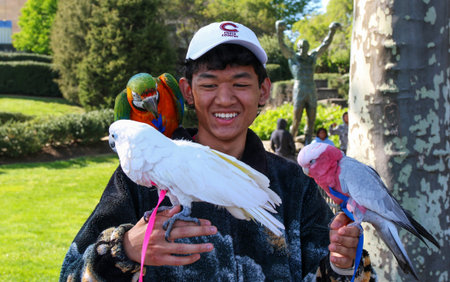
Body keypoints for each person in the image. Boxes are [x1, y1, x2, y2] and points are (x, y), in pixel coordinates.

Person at [60, 21, 375, 281]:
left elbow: (347, 275)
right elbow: (69, 276)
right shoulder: (138, 180)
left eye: (240, 83)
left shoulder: (295, 184)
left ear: (263, 91)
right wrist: (124, 250)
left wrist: (343, 265)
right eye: (209, 84)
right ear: (188, 92)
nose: (225, 99)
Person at [276, 20, 341, 144]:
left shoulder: (312, 57)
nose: (303, 49)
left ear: (308, 47)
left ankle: (307, 141)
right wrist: (279, 31)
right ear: (298, 47)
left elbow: (325, 45)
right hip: (299, 88)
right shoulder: (293, 58)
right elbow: (282, 46)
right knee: (297, 119)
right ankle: (290, 141)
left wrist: (331, 31)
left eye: (305, 46)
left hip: (311, 88)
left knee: (311, 118)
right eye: (301, 46)